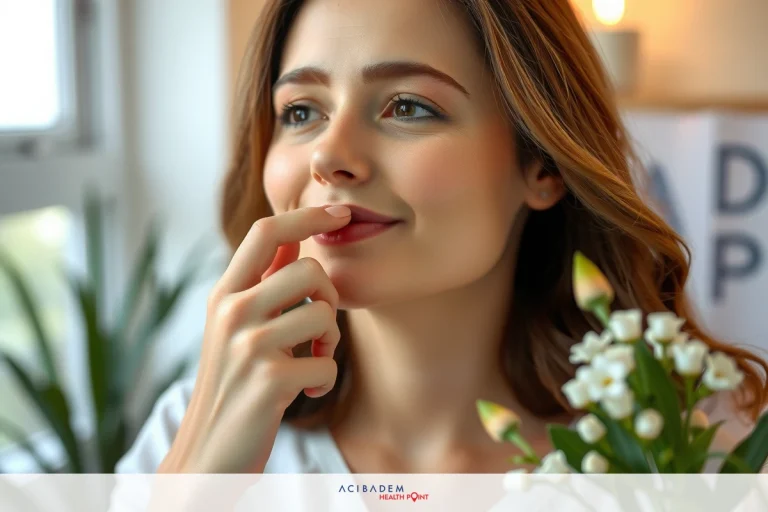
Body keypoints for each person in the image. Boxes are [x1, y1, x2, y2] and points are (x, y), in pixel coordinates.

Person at [115, 0, 768, 477]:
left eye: (408, 106)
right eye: (302, 112)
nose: (328, 158)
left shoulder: (690, 442)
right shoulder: (194, 422)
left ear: (540, 164)